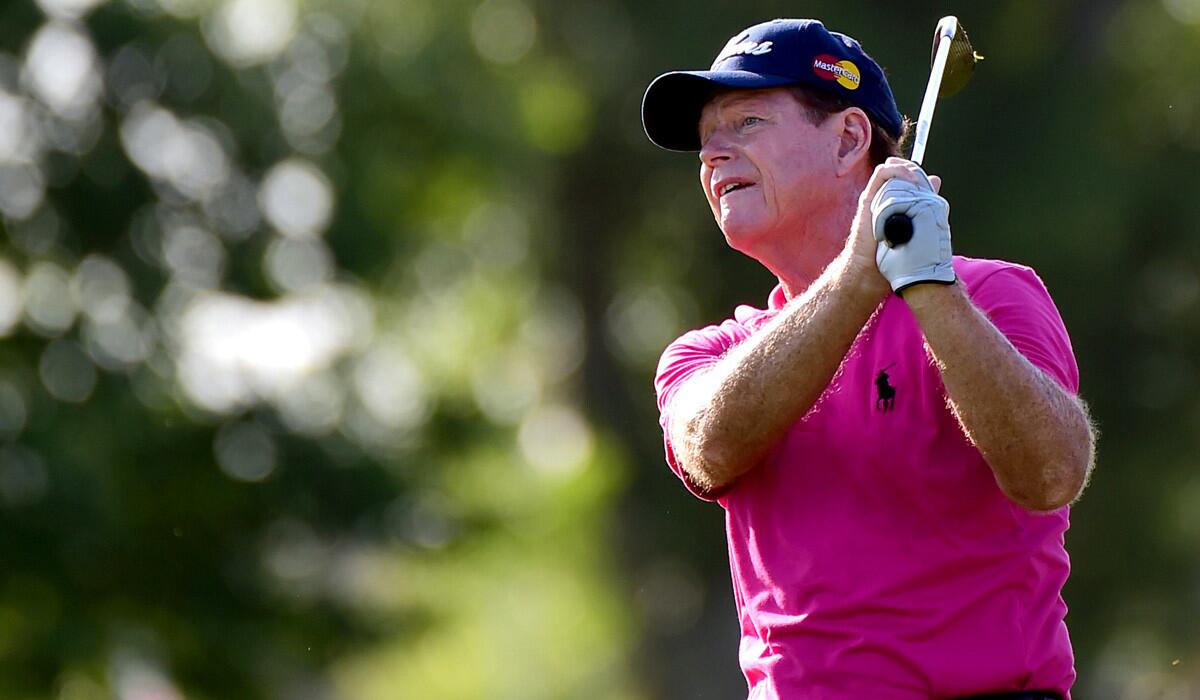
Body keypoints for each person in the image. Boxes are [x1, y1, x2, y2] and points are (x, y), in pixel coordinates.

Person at [643, 18, 1096, 700]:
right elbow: (711, 447)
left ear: (850, 138)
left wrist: (932, 294)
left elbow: (1052, 472)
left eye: (746, 123)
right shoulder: (709, 353)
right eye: (707, 141)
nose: (714, 155)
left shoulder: (988, 294)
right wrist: (857, 278)